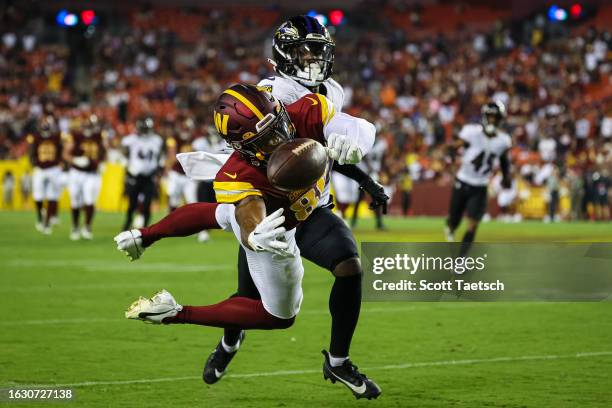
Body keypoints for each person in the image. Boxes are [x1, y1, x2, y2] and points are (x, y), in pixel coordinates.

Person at [119, 84, 382, 399]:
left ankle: (339, 362)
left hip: (311, 214)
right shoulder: (237, 174)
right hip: (275, 228)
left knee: (349, 266)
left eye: (279, 124)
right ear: (243, 147)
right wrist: (254, 236)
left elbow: (361, 128)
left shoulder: (306, 110)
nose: (282, 137)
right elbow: (246, 213)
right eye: (267, 138)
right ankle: (181, 315)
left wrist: (354, 145)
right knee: (273, 313)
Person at [445, 101, 512, 256]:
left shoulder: (503, 141)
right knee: (454, 221)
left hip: (480, 186)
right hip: (463, 181)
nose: (492, 121)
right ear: (484, 117)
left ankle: (461, 259)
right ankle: (451, 226)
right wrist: (452, 157)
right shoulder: (471, 132)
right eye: (490, 117)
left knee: (473, 225)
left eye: (496, 118)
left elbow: (504, 160)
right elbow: (454, 146)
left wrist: (506, 176)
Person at [63, 114, 107, 240]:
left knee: (89, 200)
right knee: (75, 200)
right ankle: (75, 226)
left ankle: (87, 226)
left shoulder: (99, 136)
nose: (89, 128)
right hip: (76, 172)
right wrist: (76, 160)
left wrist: (102, 163)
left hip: (92, 173)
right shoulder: (75, 137)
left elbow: (105, 151)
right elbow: (65, 154)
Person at [121, 116, 164, 230]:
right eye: (143, 128)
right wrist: (128, 165)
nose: (144, 131)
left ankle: (145, 228)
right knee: (132, 203)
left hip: (149, 176)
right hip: (135, 175)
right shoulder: (131, 139)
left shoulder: (156, 140)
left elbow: (159, 155)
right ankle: (127, 223)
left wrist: (158, 168)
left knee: (147, 203)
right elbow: (124, 151)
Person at [28, 115, 63, 235]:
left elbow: (61, 151)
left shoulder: (56, 138)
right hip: (40, 169)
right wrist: (34, 164)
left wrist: (60, 163)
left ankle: (47, 222)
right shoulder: (36, 138)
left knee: (52, 196)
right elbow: (32, 153)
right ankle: (39, 216)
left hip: (53, 169)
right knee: (38, 196)